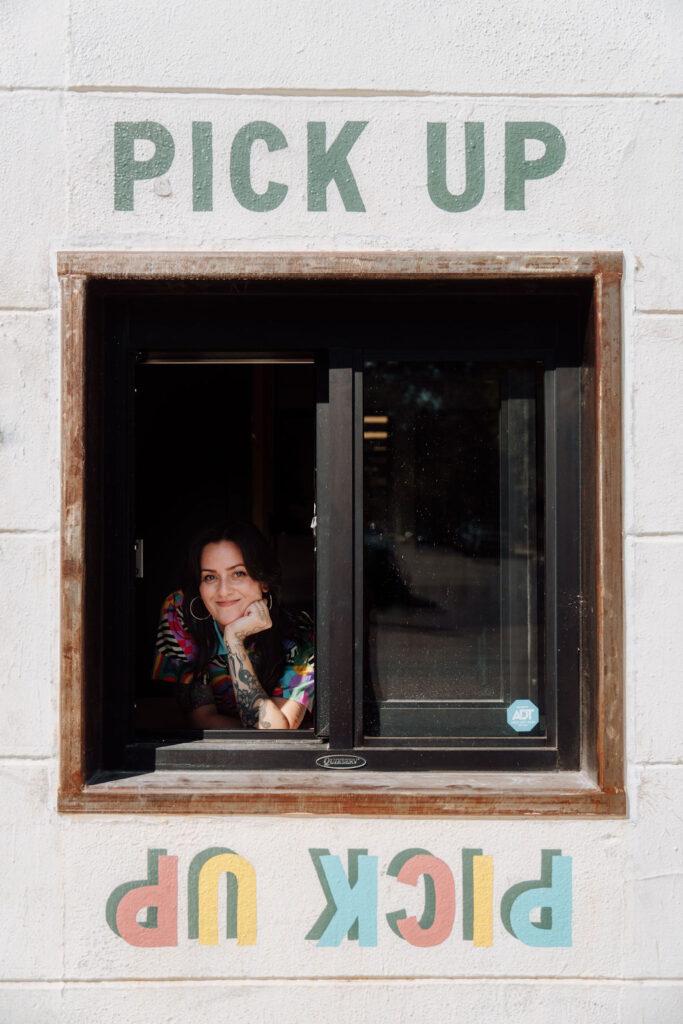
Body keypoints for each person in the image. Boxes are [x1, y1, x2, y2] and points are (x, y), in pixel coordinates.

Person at [152, 522, 314, 729]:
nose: (223, 591)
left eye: (238, 573)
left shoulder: (300, 634)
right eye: (210, 577)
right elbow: (200, 719)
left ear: (264, 582)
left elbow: (273, 733)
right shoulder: (179, 612)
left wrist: (234, 641)